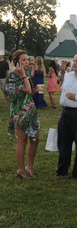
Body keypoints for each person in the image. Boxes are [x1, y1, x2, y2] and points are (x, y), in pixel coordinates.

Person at [6, 50, 40, 179]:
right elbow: (25, 90)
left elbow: (28, 92)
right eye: (24, 60)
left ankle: (29, 167)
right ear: (16, 62)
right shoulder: (13, 76)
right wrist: (24, 76)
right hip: (19, 112)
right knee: (23, 140)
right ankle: (21, 169)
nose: (27, 62)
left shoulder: (24, 73)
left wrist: (34, 91)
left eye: (28, 60)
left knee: (35, 139)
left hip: (30, 110)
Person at [56, 53, 77, 179]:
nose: (74, 63)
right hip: (64, 113)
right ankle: (62, 170)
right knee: (63, 143)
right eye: (74, 60)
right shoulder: (69, 76)